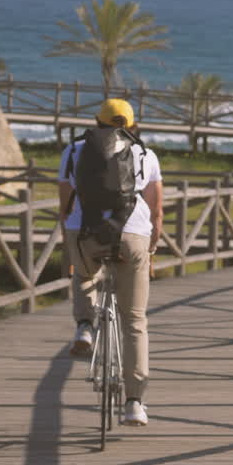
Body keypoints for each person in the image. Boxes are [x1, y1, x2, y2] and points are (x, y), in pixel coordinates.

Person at [58, 98, 163, 427]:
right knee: (134, 320)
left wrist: (72, 231)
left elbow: (64, 204)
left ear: (97, 122)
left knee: (84, 271)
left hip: (85, 232)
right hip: (133, 237)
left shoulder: (73, 152)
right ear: (131, 125)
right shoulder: (146, 154)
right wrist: (152, 245)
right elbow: (156, 211)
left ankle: (85, 324)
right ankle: (134, 402)